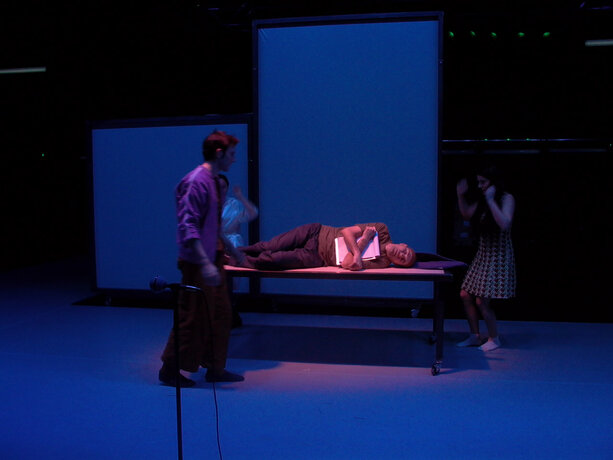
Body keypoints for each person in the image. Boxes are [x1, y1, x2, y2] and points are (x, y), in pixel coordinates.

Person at [159, 130, 244, 387]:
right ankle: (169, 369)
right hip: (197, 262)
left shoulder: (215, 181)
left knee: (221, 315)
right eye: (231, 154)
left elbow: (212, 225)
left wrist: (233, 251)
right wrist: (205, 263)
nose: (234, 159)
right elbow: (189, 226)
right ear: (219, 153)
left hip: (213, 257)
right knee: (192, 316)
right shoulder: (196, 181)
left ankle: (215, 367)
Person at [455, 165, 516, 352]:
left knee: (482, 300)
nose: (480, 186)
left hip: (498, 255)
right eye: (478, 182)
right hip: (483, 253)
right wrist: (460, 195)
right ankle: (475, 335)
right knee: (465, 294)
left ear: (493, 181)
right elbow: (467, 214)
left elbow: (504, 223)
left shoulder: (506, 198)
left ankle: (494, 338)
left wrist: (490, 200)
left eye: (483, 182)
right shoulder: (482, 200)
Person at [230, 222, 416, 270]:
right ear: (404, 244)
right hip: (317, 232)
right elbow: (347, 232)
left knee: (272, 260)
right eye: (406, 252)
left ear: (397, 264)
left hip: (318, 257)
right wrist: (359, 249)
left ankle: (230, 260)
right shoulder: (382, 230)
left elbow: (347, 263)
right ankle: (232, 251)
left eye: (403, 260)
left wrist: (365, 240)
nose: (402, 255)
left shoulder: (382, 262)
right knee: (268, 246)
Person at [217, 174, 258, 328]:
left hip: (232, 244)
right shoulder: (209, 204)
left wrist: (240, 196)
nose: (220, 189)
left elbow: (253, 213)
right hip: (215, 244)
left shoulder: (233, 204)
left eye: (223, 186)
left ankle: (230, 312)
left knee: (230, 278)